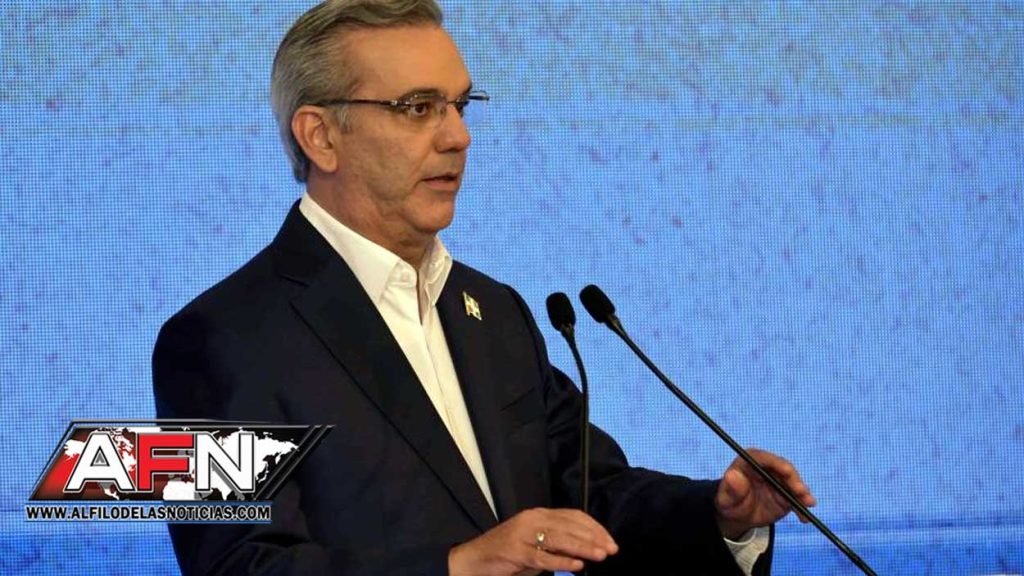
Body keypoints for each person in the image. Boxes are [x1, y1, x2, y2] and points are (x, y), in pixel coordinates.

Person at [152, 1, 816, 574]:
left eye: (460, 105)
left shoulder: (494, 313)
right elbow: (239, 563)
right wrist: (455, 567)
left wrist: (719, 517)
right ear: (321, 137)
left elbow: (593, 497)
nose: (458, 136)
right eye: (417, 108)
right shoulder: (215, 339)